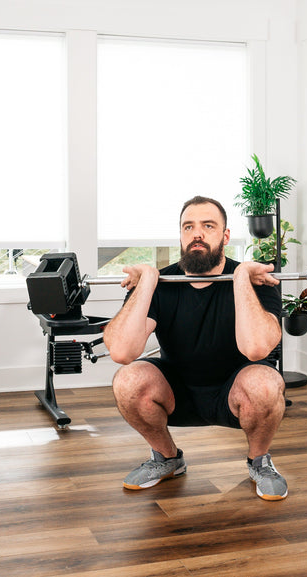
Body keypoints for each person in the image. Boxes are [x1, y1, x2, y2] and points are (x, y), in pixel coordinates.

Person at [103, 195, 289, 500]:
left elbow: (256, 349)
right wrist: (149, 279)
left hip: (236, 392)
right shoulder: (161, 283)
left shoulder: (254, 281)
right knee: (128, 380)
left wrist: (241, 276)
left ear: (225, 236)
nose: (197, 233)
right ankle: (167, 459)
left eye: (208, 225)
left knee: (265, 383)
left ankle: (259, 461)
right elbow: (122, 351)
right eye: (188, 227)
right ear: (180, 235)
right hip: (177, 392)